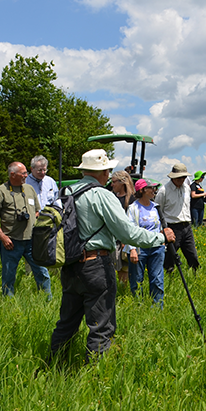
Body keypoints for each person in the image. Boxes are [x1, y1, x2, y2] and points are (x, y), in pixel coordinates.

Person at [49, 149, 175, 361]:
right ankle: (96, 377)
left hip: (69, 265)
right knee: (101, 325)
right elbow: (128, 232)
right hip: (96, 265)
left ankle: (53, 366)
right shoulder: (102, 195)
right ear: (104, 172)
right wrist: (161, 238)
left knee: (66, 323)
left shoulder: (66, 192)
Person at [0, 162, 51, 298]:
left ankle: (47, 299)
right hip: (11, 242)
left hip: (31, 240)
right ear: (12, 174)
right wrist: (3, 237)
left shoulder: (29, 189)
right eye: (23, 173)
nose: (26, 175)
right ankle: (9, 302)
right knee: (8, 275)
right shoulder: (0, 192)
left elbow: (36, 211)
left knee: (42, 271)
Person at [125, 179, 166, 306]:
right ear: (142, 190)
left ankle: (158, 307)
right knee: (137, 280)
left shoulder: (156, 207)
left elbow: (160, 225)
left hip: (156, 248)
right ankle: (139, 306)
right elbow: (129, 229)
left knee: (157, 279)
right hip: (139, 248)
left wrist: (162, 241)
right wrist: (132, 249)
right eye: (150, 188)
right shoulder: (133, 208)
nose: (154, 191)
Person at [156, 163, 200, 272]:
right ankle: (169, 277)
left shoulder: (186, 188)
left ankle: (195, 276)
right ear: (173, 177)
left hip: (187, 226)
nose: (182, 179)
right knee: (170, 256)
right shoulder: (164, 191)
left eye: (184, 177)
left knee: (192, 255)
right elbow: (157, 210)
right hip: (172, 227)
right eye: (180, 177)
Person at [110, 170, 137, 283]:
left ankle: (123, 290)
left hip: (125, 239)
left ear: (122, 182)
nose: (112, 185)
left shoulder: (132, 200)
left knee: (124, 268)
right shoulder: (111, 197)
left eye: (114, 182)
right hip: (113, 238)